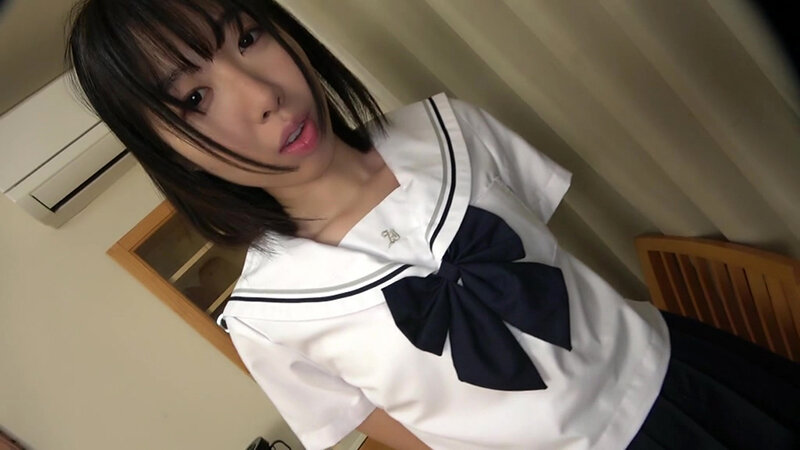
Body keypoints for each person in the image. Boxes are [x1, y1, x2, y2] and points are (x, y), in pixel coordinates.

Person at [66, 1, 799, 449]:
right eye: (194, 98)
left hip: (682, 373)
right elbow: (391, 429)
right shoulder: (268, 319)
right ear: (167, 148)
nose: (261, 95)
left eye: (249, 36)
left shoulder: (452, 129)